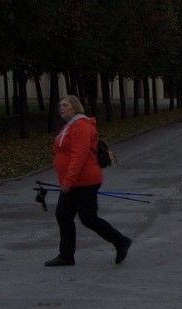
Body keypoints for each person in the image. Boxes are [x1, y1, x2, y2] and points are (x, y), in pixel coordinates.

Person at [45, 95, 131, 267]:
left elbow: (80, 155)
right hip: (72, 181)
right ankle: (66, 256)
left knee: (88, 218)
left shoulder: (80, 127)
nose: (61, 108)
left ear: (75, 107)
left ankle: (120, 241)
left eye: (65, 105)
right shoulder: (70, 127)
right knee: (63, 215)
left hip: (84, 181)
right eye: (59, 105)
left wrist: (69, 179)